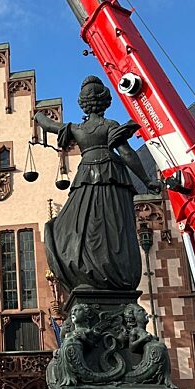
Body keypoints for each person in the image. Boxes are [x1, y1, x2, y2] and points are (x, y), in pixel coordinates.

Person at [33, 76, 162, 292]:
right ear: (105, 102)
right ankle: (110, 268)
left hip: (87, 176)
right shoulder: (110, 126)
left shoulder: (77, 129)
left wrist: (37, 115)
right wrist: (147, 180)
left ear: (82, 103)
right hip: (112, 175)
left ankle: (87, 268)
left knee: (86, 222)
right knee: (112, 224)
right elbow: (127, 154)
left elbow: (49, 125)